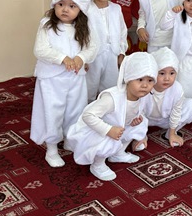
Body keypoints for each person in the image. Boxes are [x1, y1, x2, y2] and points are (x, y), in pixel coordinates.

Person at [30, 0, 98, 168]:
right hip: (52, 79)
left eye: (71, 6)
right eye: (61, 4)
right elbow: (40, 49)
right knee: (53, 111)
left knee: (75, 109)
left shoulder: (84, 26)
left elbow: (93, 47)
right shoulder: (46, 24)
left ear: (80, 9)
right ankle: (51, 148)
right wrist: (62, 58)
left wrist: (81, 58)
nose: (65, 9)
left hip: (76, 77)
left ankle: (70, 138)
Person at [65, 52, 158, 181]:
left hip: (118, 127)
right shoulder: (112, 99)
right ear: (128, 78)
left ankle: (118, 154)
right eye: (140, 79)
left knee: (141, 123)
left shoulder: (142, 95)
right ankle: (97, 165)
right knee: (110, 138)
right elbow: (88, 115)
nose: (145, 85)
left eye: (150, 80)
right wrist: (108, 130)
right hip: (95, 130)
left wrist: (134, 120)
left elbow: (131, 112)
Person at [86, 0, 128, 102]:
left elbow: (122, 31)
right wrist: (84, 57)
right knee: (89, 85)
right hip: (93, 56)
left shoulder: (116, 9)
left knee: (111, 85)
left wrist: (121, 51)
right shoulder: (86, 9)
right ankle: (87, 108)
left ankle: (108, 108)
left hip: (112, 54)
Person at [145, 47, 192, 148]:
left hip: (166, 120)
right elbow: (137, 111)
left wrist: (172, 133)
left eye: (172, 73)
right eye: (162, 73)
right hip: (144, 120)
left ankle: (170, 133)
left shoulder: (177, 88)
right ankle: (139, 136)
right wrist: (140, 135)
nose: (167, 78)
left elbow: (176, 112)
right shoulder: (145, 86)